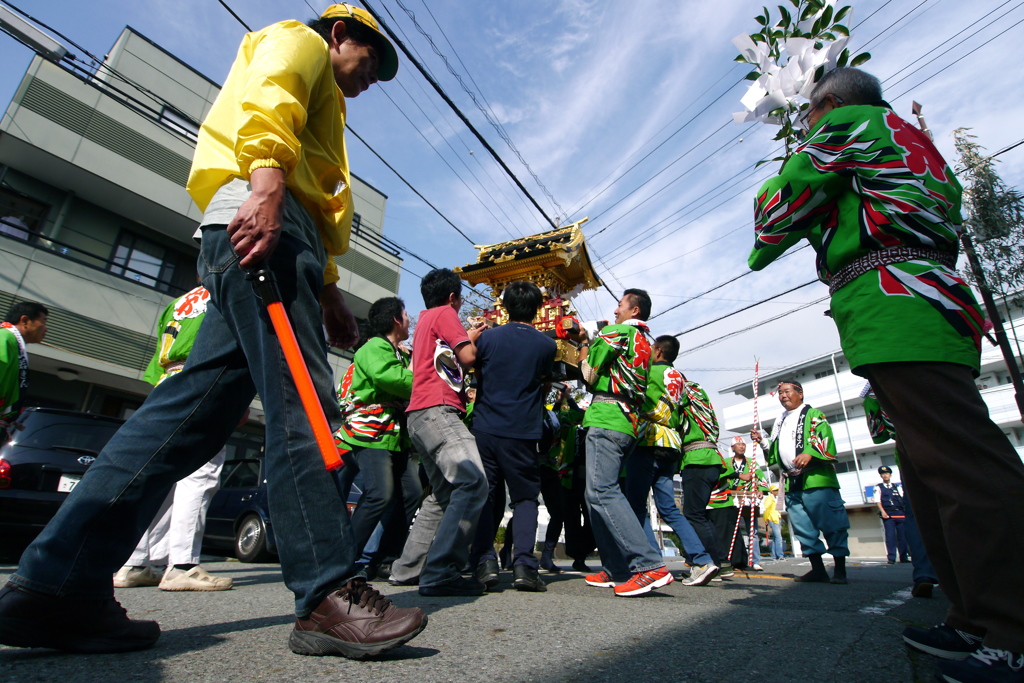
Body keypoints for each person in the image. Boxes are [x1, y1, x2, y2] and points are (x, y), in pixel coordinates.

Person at [0, 4, 429, 659]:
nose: (372, 80)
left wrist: (328, 285)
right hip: (267, 228)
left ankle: (57, 585)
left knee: (186, 417)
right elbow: (269, 99)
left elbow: (314, 187)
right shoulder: (302, 44)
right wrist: (264, 184)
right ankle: (325, 592)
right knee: (303, 404)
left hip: (272, 236)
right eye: (372, 63)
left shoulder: (328, 100)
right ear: (341, 33)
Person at [751, 66, 1024, 679]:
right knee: (933, 467)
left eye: (811, 116)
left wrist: (798, 157)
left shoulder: (846, 125)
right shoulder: (909, 137)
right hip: (935, 299)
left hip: (892, 298)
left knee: (962, 465)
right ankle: (974, 616)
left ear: (828, 104)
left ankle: (1010, 629)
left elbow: (771, 219)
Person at [113, 285, 233, 592]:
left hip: (168, 381)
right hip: (203, 377)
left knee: (161, 477)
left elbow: (157, 358)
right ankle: (183, 565)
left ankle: (134, 563)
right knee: (200, 474)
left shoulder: (177, 303)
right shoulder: (228, 287)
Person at [391, 268, 488, 597]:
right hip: (439, 411)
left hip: (417, 416)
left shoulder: (423, 322)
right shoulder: (445, 313)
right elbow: (468, 357)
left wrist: (466, 336)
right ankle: (442, 571)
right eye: (460, 300)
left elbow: (446, 359)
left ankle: (408, 569)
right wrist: (475, 339)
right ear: (452, 298)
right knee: (472, 480)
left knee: (441, 495)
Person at [577, 289, 672, 597]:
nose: (615, 310)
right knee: (597, 493)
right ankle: (616, 567)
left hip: (607, 415)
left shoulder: (615, 333)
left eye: (620, 305)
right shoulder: (646, 343)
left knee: (601, 490)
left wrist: (581, 345)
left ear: (634, 311)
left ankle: (647, 564)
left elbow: (589, 375)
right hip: (628, 422)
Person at [468, 281, 556, 592]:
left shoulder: (488, 339)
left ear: (504, 307)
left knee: (486, 495)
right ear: (538, 308)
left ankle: (485, 562)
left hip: (486, 426)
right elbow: (544, 381)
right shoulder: (547, 345)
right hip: (522, 431)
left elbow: (476, 372)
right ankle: (523, 566)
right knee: (525, 498)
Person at [334, 296, 421, 578]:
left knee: (411, 494)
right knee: (379, 494)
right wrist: (419, 375)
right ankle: (346, 560)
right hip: (369, 433)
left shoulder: (401, 352)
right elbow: (392, 379)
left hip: (395, 436)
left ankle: (385, 557)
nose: (409, 319)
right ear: (396, 319)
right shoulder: (374, 347)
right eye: (406, 314)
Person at [623, 335, 718, 586]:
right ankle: (702, 559)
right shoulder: (681, 379)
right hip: (672, 445)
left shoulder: (649, 372)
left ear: (657, 350)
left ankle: (652, 564)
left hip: (648, 441)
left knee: (635, 506)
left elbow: (634, 396)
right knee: (670, 510)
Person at [751, 381, 849, 584]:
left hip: (816, 479)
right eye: (780, 393)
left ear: (800, 393)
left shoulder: (813, 414)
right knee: (803, 527)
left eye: (787, 391)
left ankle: (840, 570)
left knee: (832, 524)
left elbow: (824, 436)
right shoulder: (780, 420)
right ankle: (818, 569)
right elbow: (775, 453)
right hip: (792, 481)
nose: (783, 395)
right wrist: (762, 441)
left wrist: (810, 452)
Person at [862, 383, 937, 598]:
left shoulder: (876, 384)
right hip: (949, 439)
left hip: (909, 451)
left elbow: (879, 433)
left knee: (917, 517)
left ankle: (923, 572)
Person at [679, 374, 733, 576]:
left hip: (697, 458)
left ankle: (713, 562)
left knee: (693, 514)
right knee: (699, 514)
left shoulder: (684, 390)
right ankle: (722, 562)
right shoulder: (699, 392)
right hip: (711, 457)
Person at [0, 301, 48, 435]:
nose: (46, 329)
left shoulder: (11, 342)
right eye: (43, 322)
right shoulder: (4, 338)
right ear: (25, 321)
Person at [875, 466, 909, 565]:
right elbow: (878, 501)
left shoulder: (897, 487)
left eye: (887, 473)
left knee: (902, 537)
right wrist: (883, 511)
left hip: (900, 514)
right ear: (881, 476)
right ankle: (891, 557)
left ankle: (904, 557)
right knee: (890, 537)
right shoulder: (879, 487)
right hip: (888, 516)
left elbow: (903, 500)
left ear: (890, 475)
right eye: (883, 474)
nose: (885, 475)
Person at [763, 484, 785, 561]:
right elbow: (766, 509)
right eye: (776, 490)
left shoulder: (774, 498)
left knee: (776, 538)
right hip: (773, 519)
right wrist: (766, 519)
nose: (778, 492)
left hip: (777, 518)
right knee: (779, 538)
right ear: (772, 491)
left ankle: (775, 555)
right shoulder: (770, 498)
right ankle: (780, 555)